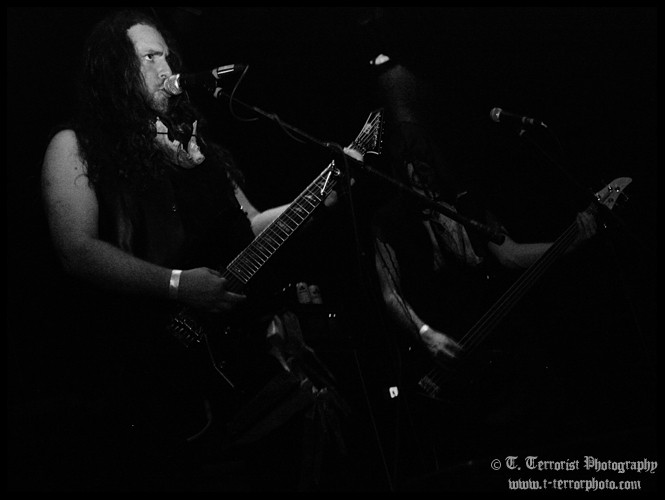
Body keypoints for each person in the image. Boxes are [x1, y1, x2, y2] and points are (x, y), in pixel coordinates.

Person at [41, 9, 352, 491]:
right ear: (114, 68)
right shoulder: (75, 145)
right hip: (143, 357)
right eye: (149, 57)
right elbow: (76, 251)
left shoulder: (195, 146)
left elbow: (250, 226)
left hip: (226, 356)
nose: (166, 68)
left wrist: (314, 199)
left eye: (167, 56)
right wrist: (178, 285)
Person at [369, 61, 599, 480]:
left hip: (499, 353)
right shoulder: (388, 221)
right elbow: (389, 292)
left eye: (422, 157)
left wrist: (567, 243)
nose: (416, 168)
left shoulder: (467, 204)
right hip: (444, 361)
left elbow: (509, 255)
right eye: (406, 159)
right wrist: (424, 333)